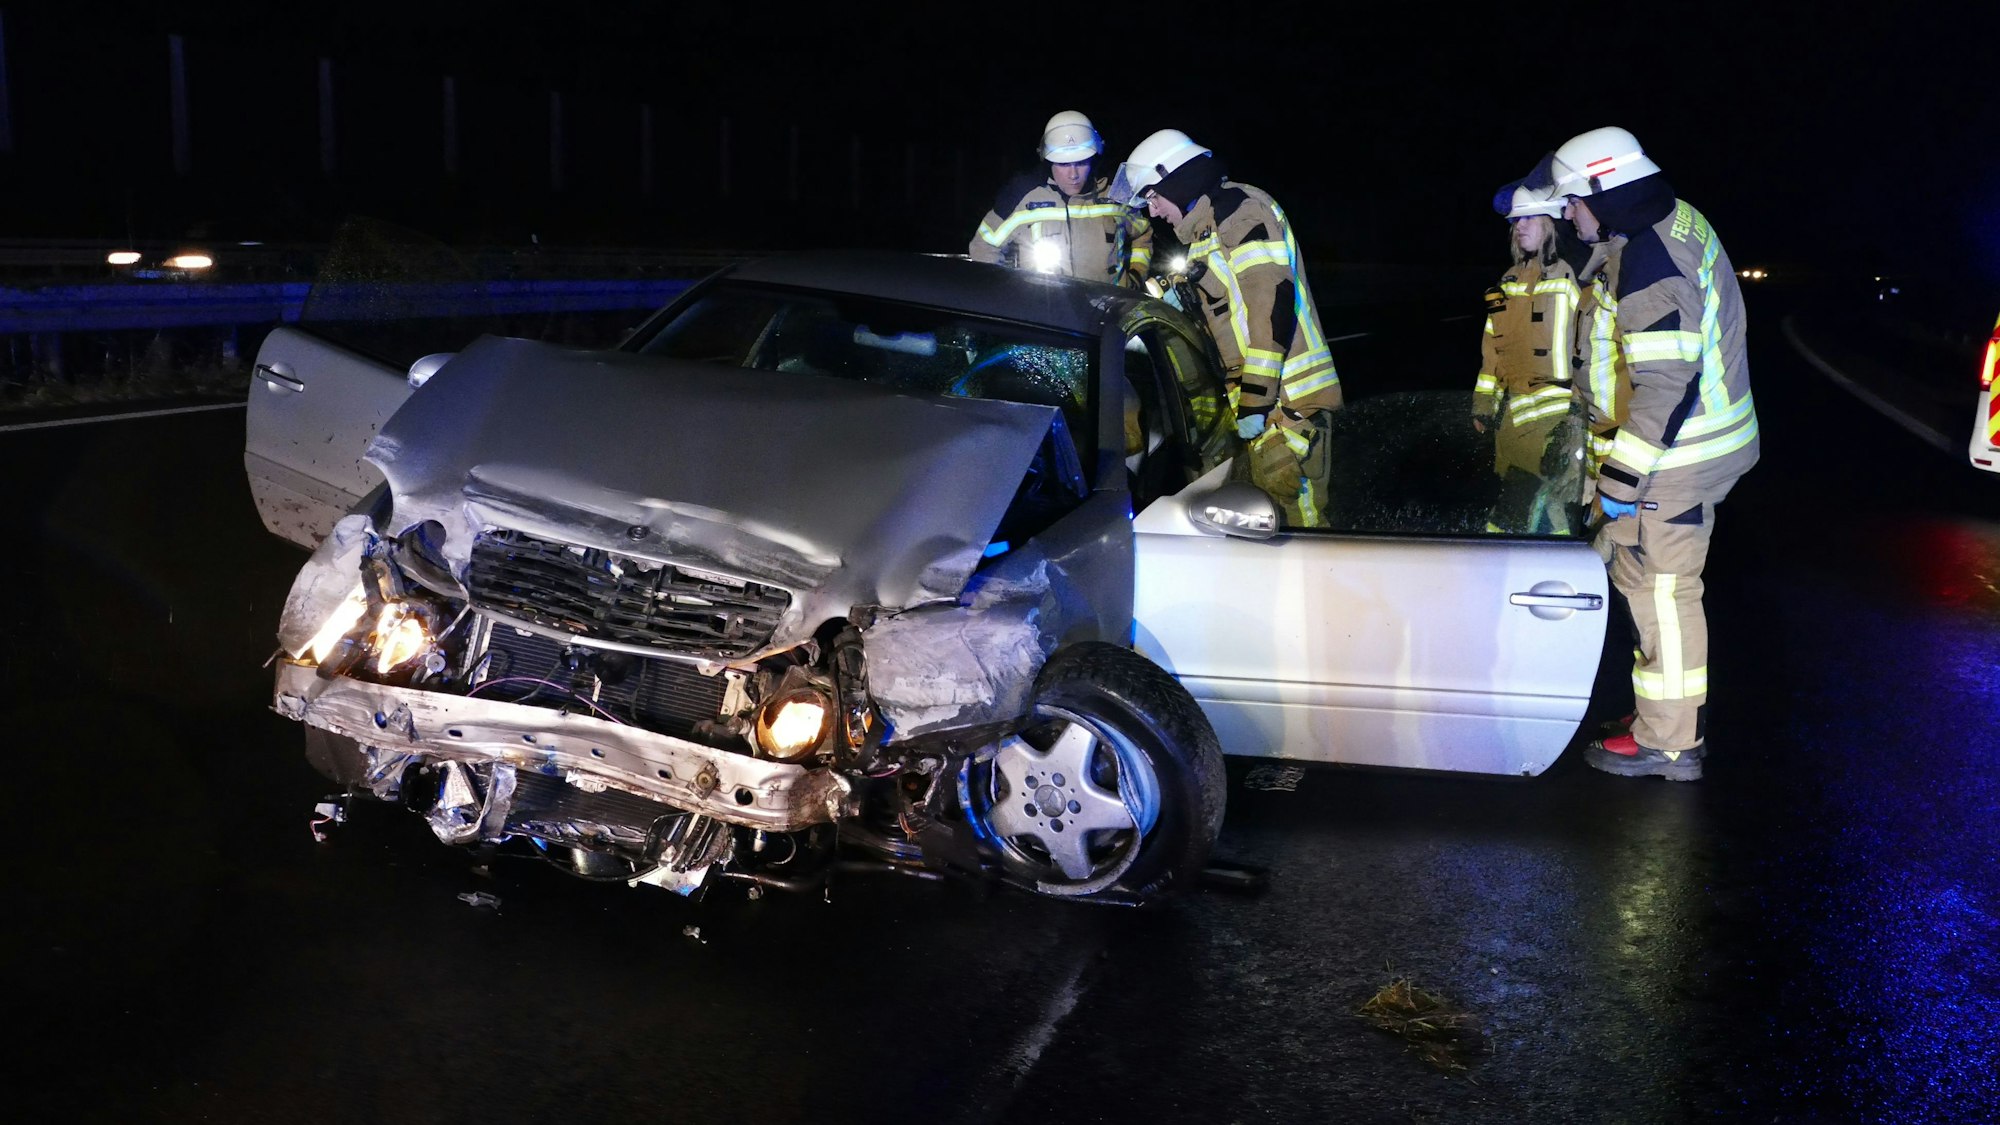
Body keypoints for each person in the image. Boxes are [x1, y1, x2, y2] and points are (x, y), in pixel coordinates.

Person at [1539, 126, 1760, 781]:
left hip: (1683, 451)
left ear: (1605, 192)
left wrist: (1622, 476)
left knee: (1664, 590)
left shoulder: (1650, 264)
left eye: (1572, 202)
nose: (1567, 214)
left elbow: (1669, 384)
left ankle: (1670, 742)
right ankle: (1661, 717)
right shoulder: (1670, 218)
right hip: (1706, 438)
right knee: (1642, 577)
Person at [1108, 129, 1341, 526]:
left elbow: (1270, 306)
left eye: (1152, 197)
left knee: (1301, 531)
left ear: (1176, 180)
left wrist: (1255, 400)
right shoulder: (1207, 231)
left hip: (1288, 406)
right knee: (1267, 528)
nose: (1153, 212)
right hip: (1267, 410)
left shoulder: (1240, 211)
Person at [1474, 181, 1593, 535]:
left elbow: (1591, 350)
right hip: (1513, 418)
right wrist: (1484, 402)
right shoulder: (1504, 282)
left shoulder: (1577, 275)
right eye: (1515, 221)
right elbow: (1492, 344)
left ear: (1552, 221)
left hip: (1559, 421)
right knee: (1532, 509)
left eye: (1527, 218)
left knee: (1524, 508)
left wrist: (1576, 418)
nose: (1518, 226)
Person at [969, 111, 1152, 288]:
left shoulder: (1116, 194)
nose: (1073, 174)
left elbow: (1142, 235)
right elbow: (984, 246)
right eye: (1063, 164)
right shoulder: (1024, 197)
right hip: (1045, 314)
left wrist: (1135, 277)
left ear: (1094, 158)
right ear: (1048, 161)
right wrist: (1011, 296)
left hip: (1110, 311)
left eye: (1081, 162)